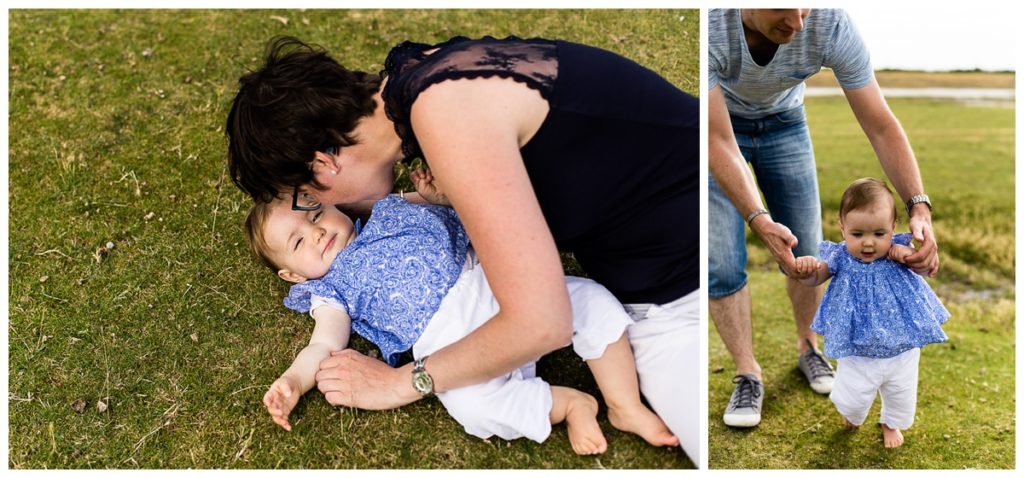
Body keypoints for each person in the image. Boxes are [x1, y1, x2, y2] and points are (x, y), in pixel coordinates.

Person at [226, 35, 699, 459]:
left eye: (311, 200)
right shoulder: (419, 78)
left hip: (683, 273)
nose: (331, 215)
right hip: (673, 217)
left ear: (324, 163)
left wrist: (399, 383)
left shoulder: (447, 121)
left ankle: (621, 404)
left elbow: (542, 322)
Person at [246, 185, 679, 454]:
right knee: (474, 408)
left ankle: (624, 405)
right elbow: (323, 344)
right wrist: (293, 381)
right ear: (292, 275)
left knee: (591, 302)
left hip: (494, 284)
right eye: (299, 240)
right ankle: (567, 404)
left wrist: (437, 195)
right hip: (448, 347)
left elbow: (460, 196)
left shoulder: (387, 212)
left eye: (317, 214)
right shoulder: (329, 291)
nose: (318, 232)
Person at [707, 8, 939, 428]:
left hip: (786, 124)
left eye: (805, 9)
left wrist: (918, 205)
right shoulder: (710, 26)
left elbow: (881, 125)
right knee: (721, 260)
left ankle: (808, 348)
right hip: (719, 128)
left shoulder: (830, 23)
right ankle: (747, 372)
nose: (798, 25)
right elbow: (717, 138)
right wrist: (758, 218)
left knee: (808, 249)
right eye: (784, 9)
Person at [792, 178, 949, 448]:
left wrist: (913, 256)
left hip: (901, 345)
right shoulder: (839, 257)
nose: (868, 243)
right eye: (857, 234)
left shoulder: (898, 253)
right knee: (852, 394)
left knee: (900, 391)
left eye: (879, 234)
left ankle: (891, 423)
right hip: (857, 346)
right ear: (842, 228)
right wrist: (805, 270)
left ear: (892, 228)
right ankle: (853, 415)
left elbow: (925, 269)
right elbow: (816, 278)